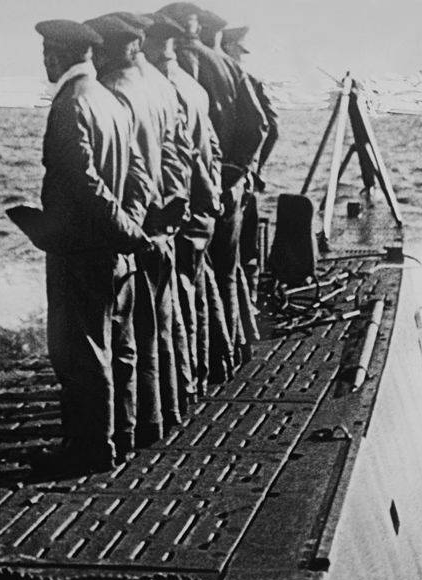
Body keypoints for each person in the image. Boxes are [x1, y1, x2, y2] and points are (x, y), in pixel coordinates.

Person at [23, 19, 166, 474]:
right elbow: (141, 174)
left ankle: (90, 449)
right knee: (120, 347)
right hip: (115, 252)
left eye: (47, 52)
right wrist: (131, 227)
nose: (44, 60)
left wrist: (124, 231)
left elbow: (84, 183)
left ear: (62, 54)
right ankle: (120, 436)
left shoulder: (70, 104)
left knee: (79, 352)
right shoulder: (109, 98)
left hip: (82, 252)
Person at [84, 14, 188, 448]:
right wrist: (171, 209)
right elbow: (179, 151)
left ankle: (137, 427)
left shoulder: (111, 92)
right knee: (161, 325)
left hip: (136, 224)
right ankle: (170, 410)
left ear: (108, 49)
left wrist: (130, 224)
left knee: (131, 337)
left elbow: (133, 169)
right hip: (163, 219)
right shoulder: (164, 86)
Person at [158, 3, 267, 370]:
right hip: (229, 181)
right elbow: (260, 126)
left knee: (198, 278)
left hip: (202, 184)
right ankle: (237, 348)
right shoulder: (229, 65)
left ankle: (210, 364)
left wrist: (214, 180)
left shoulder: (184, 68)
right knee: (228, 269)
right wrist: (238, 173)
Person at [140, 13, 229, 396]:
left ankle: (188, 382)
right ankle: (211, 364)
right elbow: (211, 148)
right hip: (202, 202)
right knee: (198, 285)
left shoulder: (163, 89)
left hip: (183, 206)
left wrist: (171, 209)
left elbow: (178, 155)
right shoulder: (192, 87)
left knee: (179, 298)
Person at [221, 25, 279, 292]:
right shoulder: (248, 80)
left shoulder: (238, 81)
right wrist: (255, 168)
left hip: (232, 176)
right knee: (246, 248)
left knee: (236, 248)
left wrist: (247, 166)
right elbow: (271, 128)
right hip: (244, 176)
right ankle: (250, 303)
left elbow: (268, 128)